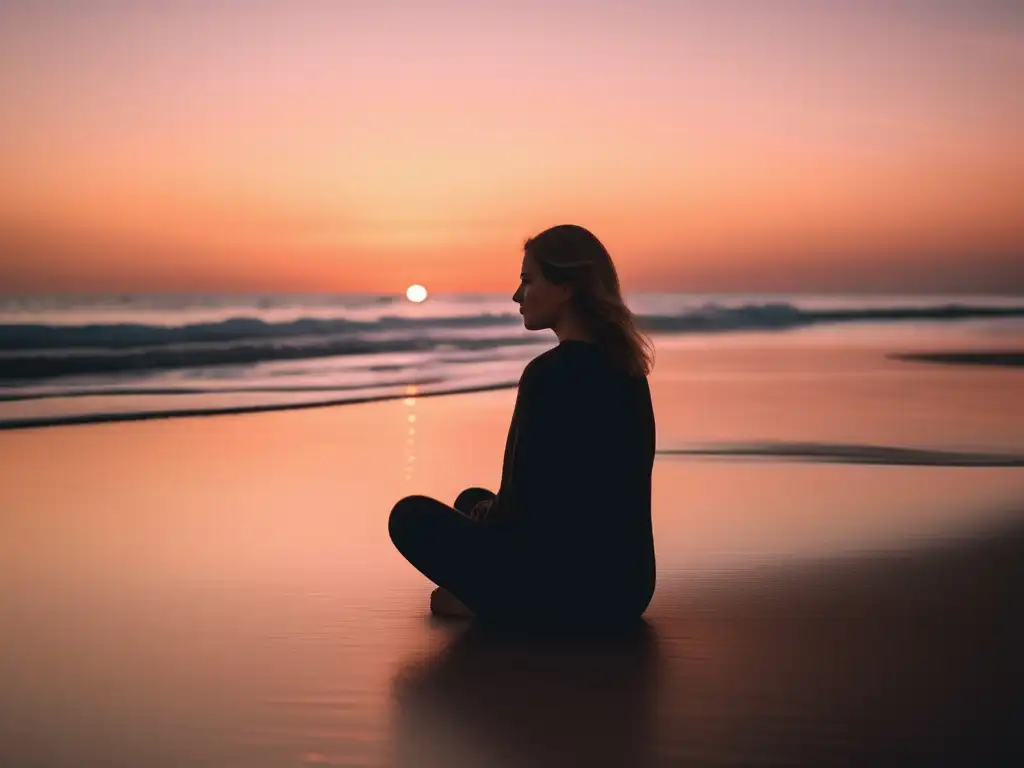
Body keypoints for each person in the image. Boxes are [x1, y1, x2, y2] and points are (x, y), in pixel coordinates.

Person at [388, 224, 657, 624]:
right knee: (470, 500)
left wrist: (487, 524)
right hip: (626, 589)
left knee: (409, 515)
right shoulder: (627, 368)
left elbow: (523, 511)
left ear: (567, 286)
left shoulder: (549, 374)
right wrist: (485, 512)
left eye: (528, 281)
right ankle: (492, 594)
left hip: (565, 593)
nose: (517, 296)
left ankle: (491, 605)